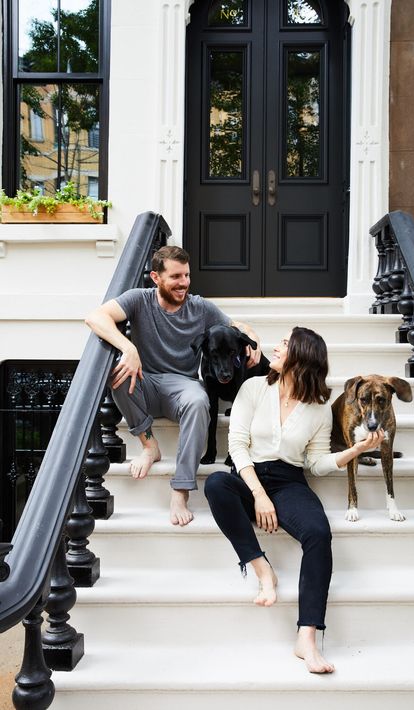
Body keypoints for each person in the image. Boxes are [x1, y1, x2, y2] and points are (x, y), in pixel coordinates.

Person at [204, 327, 384, 674]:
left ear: (301, 356)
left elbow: (315, 463)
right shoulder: (253, 388)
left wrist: (356, 450)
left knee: (318, 533)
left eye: (285, 344)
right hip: (251, 475)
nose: (276, 347)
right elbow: (237, 446)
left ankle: (307, 637)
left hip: (290, 482)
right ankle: (262, 570)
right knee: (215, 485)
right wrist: (258, 494)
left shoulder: (317, 409)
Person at [85, 245, 261, 527]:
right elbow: (95, 317)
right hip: (146, 381)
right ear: (156, 277)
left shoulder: (200, 307)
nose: (184, 283)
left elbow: (233, 325)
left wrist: (253, 336)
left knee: (199, 401)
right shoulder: (138, 300)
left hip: (183, 386)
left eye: (187, 276)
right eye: (176, 276)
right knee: (115, 373)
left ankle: (180, 491)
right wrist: (128, 347)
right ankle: (150, 446)